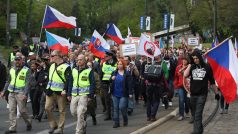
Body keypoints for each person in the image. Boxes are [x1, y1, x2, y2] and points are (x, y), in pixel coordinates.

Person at [184, 50, 220, 134]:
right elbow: (185, 75)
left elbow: (212, 81)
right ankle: (199, 130)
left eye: (196, 58)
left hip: (202, 95)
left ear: (200, 57)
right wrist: (189, 64)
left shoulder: (207, 67)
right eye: (194, 58)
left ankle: (196, 131)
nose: (195, 60)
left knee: (198, 114)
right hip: (193, 94)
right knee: (194, 114)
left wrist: (216, 93)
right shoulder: (192, 66)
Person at [0, 55, 32, 134]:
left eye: (18, 60)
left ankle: (29, 122)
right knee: (11, 110)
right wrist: (3, 91)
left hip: (21, 92)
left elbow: (28, 83)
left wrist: (25, 94)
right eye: (16, 60)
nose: (17, 61)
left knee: (22, 111)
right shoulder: (12, 69)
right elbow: (8, 81)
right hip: (11, 93)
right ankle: (12, 127)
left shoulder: (26, 70)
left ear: (22, 60)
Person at [45, 50, 73, 134]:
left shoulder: (66, 66)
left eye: (52, 56)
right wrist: (46, 89)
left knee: (61, 110)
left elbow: (68, 80)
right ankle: (53, 125)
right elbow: (50, 79)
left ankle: (60, 129)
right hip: (50, 91)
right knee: (47, 108)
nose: (51, 58)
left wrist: (65, 90)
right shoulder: (52, 65)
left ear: (57, 56)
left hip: (61, 92)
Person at [68, 54, 95, 134]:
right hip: (74, 94)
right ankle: (83, 123)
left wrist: (90, 95)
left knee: (80, 113)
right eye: (77, 60)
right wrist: (69, 94)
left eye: (80, 60)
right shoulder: (74, 70)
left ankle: (78, 131)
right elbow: (70, 82)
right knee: (73, 112)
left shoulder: (89, 70)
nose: (79, 61)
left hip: (84, 95)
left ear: (84, 61)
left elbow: (92, 83)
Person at [145, 55, 169, 121]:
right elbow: (165, 75)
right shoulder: (162, 64)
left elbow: (147, 74)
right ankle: (152, 116)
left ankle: (148, 116)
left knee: (149, 101)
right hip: (158, 85)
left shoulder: (152, 63)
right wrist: (166, 85)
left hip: (150, 85)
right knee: (156, 100)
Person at [110, 59, 133, 128]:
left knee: (122, 107)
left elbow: (130, 84)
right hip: (115, 93)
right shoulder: (114, 72)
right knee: (115, 109)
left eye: (121, 64)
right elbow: (110, 81)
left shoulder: (127, 73)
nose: (119, 66)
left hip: (123, 94)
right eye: (118, 64)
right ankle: (116, 123)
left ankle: (125, 119)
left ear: (123, 65)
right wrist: (111, 78)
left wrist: (130, 93)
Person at [101, 51, 117, 120]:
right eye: (105, 56)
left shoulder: (116, 64)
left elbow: (116, 73)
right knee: (107, 100)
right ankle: (109, 115)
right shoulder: (104, 63)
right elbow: (101, 73)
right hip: (105, 84)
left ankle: (114, 114)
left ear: (110, 56)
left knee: (114, 99)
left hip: (113, 83)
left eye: (106, 56)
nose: (105, 57)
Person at [174, 56, 190, 121]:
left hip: (188, 87)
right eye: (183, 60)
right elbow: (175, 77)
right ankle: (181, 115)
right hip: (180, 86)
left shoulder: (189, 67)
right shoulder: (178, 67)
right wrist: (176, 85)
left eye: (185, 60)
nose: (184, 61)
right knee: (181, 100)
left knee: (187, 101)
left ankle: (187, 111)